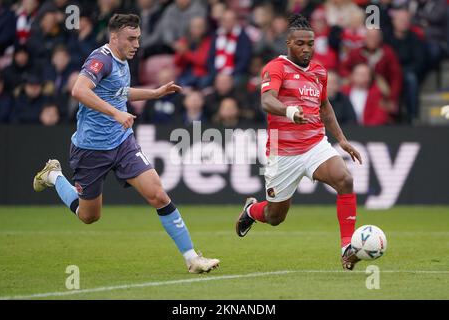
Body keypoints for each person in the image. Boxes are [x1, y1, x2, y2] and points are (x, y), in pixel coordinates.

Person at [33, 14, 219, 274]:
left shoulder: (123, 60)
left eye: (139, 38)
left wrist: (153, 93)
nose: (137, 44)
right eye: (131, 39)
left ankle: (192, 258)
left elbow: (120, 91)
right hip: (91, 148)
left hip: (121, 142)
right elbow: (79, 90)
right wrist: (116, 113)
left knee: (158, 194)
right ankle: (53, 175)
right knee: (89, 216)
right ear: (114, 38)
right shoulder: (101, 60)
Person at [235, 14, 363, 271]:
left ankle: (347, 248)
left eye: (310, 44)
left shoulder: (319, 71)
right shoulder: (276, 67)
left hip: (315, 144)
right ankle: (251, 211)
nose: (306, 49)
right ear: (289, 44)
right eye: (300, 43)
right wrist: (290, 111)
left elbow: (325, 106)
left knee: (344, 179)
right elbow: (267, 101)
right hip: (283, 153)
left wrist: (341, 139)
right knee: (275, 217)